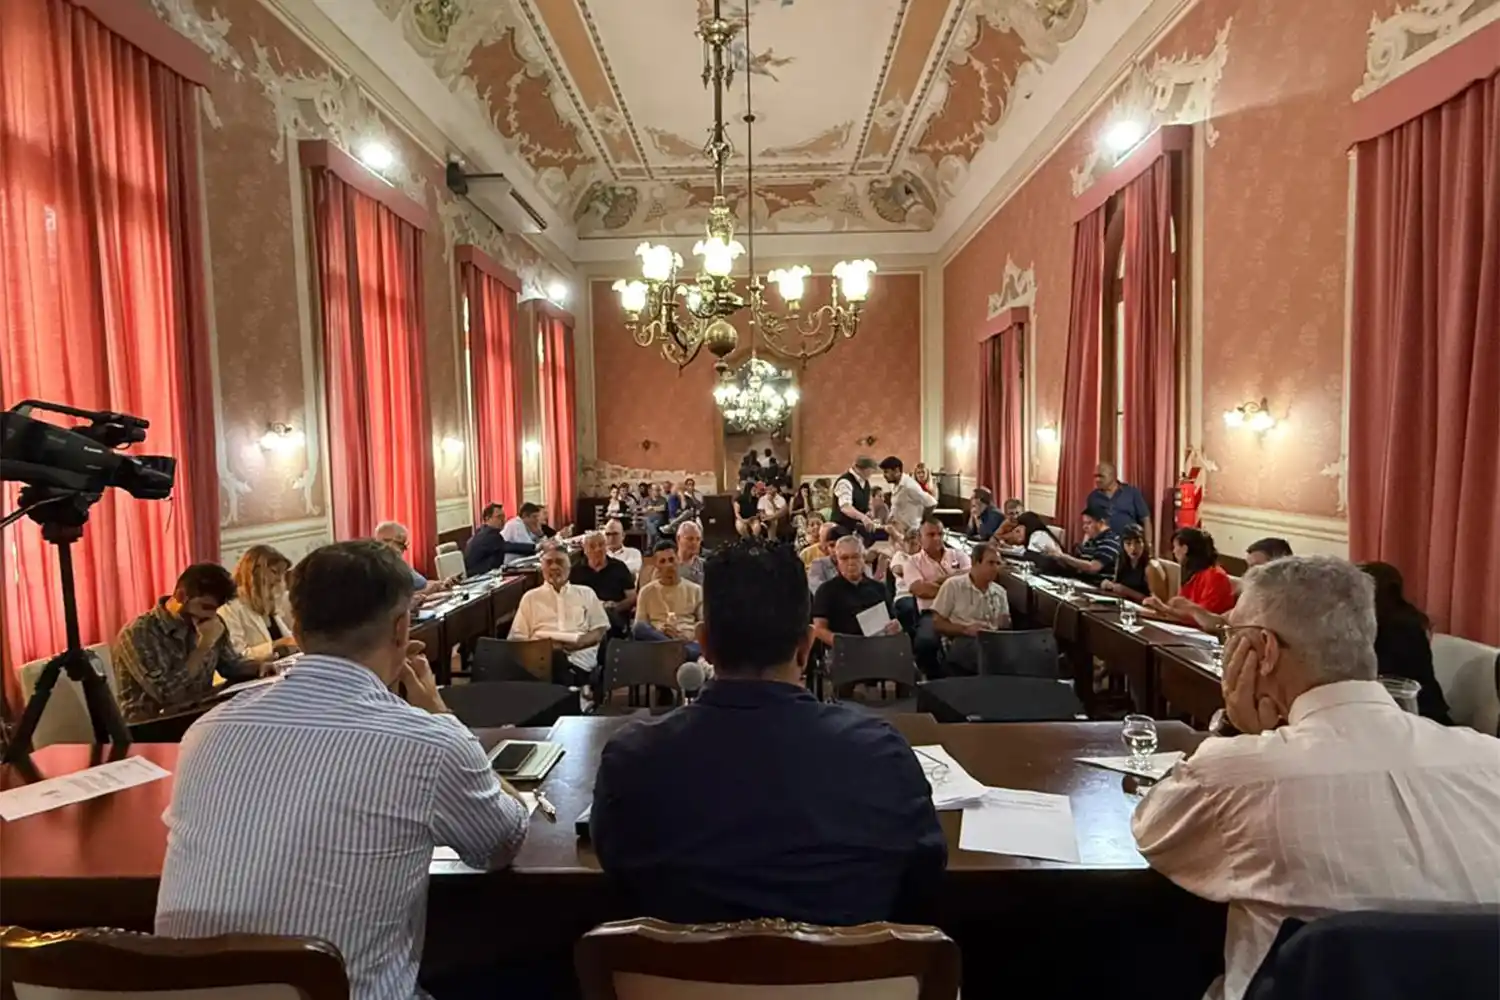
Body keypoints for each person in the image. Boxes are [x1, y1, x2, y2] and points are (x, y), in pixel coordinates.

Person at [156, 541, 530, 1000]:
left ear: (297, 628)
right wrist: (438, 712)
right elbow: (500, 844)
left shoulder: (207, 730)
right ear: (401, 628)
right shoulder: (428, 742)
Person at [1132, 556, 1500, 1000]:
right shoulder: (1491, 758)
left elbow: (1152, 832)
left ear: (1263, 650)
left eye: (1232, 637)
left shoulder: (1239, 771)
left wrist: (1235, 733)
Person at [591, 538, 946, 925]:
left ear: (704, 644)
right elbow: (923, 875)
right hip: (851, 963)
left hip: (673, 964)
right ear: (805, 648)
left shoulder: (632, 760)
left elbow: (617, 876)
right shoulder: (881, 755)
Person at [113, 564, 262, 723]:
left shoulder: (211, 621)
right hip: (154, 725)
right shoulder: (138, 633)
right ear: (181, 596)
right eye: (206, 607)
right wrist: (203, 647)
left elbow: (231, 665)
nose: (212, 615)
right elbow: (166, 694)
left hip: (200, 716)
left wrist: (260, 668)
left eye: (216, 609)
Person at [1361, 561, 1453, 724]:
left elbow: (1379, 680)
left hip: (1417, 717)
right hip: (1416, 713)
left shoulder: (1397, 630)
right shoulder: (1408, 619)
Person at [510, 547, 609, 683]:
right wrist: (544, 648)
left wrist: (580, 643)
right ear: (542, 568)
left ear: (569, 566)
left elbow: (600, 630)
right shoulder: (530, 598)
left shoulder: (586, 593)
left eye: (559, 562)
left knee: (559, 665)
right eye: (549, 562)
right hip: (540, 661)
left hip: (578, 659)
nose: (554, 567)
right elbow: (517, 638)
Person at [924, 542, 1011, 677]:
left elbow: (1005, 626)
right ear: (975, 563)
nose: (995, 568)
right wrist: (966, 629)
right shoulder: (953, 586)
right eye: (990, 563)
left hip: (991, 640)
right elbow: (937, 623)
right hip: (960, 639)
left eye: (998, 564)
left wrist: (1004, 623)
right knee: (987, 655)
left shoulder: (1000, 593)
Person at [811, 535, 901, 647]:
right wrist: (841, 644)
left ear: (863, 558)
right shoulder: (825, 591)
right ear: (837, 561)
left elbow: (893, 620)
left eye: (855, 557)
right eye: (844, 558)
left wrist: (896, 626)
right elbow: (819, 629)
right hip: (843, 650)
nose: (851, 562)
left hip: (878, 647)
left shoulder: (879, 588)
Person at [217, 545, 298, 664]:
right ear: (254, 573)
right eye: (275, 572)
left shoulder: (268, 605)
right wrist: (276, 645)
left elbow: (288, 639)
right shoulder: (230, 609)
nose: (279, 579)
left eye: (282, 574)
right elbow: (236, 657)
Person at [898, 518, 970, 640]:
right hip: (931, 613)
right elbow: (921, 590)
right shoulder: (912, 562)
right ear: (920, 538)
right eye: (931, 535)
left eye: (940, 534)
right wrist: (956, 583)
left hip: (963, 610)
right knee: (926, 642)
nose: (937, 538)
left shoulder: (959, 555)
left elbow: (971, 577)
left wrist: (941, 581)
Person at [1146, 527, 1235, 623]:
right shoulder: (1193, 573)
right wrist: (1163, 608)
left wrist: (1164, 608)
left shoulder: (1215, 576)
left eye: (1175, 547)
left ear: (1185, 549)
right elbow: (1181, 609)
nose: (1174, 551)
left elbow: (1202, 619)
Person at [633, 541, 704, 660]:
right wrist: (661, 633)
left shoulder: (695, 590)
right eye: (662, 561)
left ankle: (679, 649)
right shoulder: (646, 592)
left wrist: (684, 637)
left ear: (678, 560)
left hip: (687, 641)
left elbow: (703, 625)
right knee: (639, 628)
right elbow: (640, 627)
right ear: (656, 565)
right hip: (658, 641)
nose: (668, 565)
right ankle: (677, 649)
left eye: (671, 560)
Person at [572, 530, 638, 636]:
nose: (598, 549)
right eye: (592, 546)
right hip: (585, 617)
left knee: (605, 614)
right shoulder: (576, 570)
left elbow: (632, 598)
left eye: (601, 545)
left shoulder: (619, 567)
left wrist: (616, 606)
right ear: (584, 549)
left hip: (613, 617)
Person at [375, 522, 455, 597]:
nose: (404, 550)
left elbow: (421, 584)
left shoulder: (400, 564)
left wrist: (440, 584)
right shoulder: (380, 569)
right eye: (400, 544)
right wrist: (426, 591)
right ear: (384, 542)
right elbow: (396, 600)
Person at [1051, 506, 1122, 581]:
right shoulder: (1092, 540)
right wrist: (1059, 557)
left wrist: (1062, 556)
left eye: (1088, 523)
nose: (1084, 527)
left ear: (1101, 523)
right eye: (1084, 523)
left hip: (1096, 585)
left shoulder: (1110, 541)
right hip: (1081, 582)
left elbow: (1093, 568)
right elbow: (1079, 566)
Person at [464, 502, 537, 576]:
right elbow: (507, 546)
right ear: (487, 518)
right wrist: (534, 548)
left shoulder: (483, 531)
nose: (503, 520)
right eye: (499, 517)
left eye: (503, 517)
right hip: (479, 575)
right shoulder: (488, 534)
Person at [1086, 462, 1152, 541]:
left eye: (1101, 476)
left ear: (1113, 476)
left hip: (1128, 543)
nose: (1097, 480)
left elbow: (1145, 519)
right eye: (1095, 476)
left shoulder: (1131, 493)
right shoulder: (1093, 497)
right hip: (1103, 543)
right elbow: (1089, 524)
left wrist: (1148, 543)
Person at [1103, 524, 1168, 603]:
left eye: (1137, 542)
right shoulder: (1121, 560)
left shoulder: (1151, 567)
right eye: (1128, 543)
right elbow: (1117, 585)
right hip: (1124, 604)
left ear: (1144, 543)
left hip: (1144, 608)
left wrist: (1128, 592)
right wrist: (1109, 585)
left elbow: (1159, 603)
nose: (1133, 548)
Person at [831, 456, 881, 537]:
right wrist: (863, 518)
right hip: (842, 530)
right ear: (861, 469)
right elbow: (845, 507)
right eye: (872, 470)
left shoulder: (865, 482)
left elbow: (867, 503)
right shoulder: (845, 482)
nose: (873, 473)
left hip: (858, 530)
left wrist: (869, 512)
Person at [878, 457, 934, 530]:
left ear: (897, 470)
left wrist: (921, 523)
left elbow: (931, 503)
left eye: (886, 472)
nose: (884, 475)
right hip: (897, 530)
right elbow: (897, 507)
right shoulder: (895, 485)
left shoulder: (909, 486)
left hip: (909, 532)